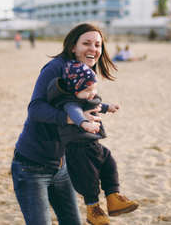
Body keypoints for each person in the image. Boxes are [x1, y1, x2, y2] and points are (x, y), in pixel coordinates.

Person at [11, 23, 117, 225]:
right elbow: (35, 109)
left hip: (63, 166)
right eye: (86, 43)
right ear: (72, 47)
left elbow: (80, 106)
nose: (93, 49)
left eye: (97, 45)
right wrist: (75, 118)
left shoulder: (83, 73)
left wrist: (98, 111)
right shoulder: (56, 68)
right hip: (32, 167)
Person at [47, 60, 139, 225]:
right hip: (78, 148)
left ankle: (113, 197)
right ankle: (93, 209)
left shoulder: (85, 97)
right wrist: (84, 123)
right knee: (88, 178)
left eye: (94, 88)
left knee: (109, 163)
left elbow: (96, 104)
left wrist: (108, 107)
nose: (92, 93)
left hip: (93, 144)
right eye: (87, 89)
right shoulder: (70, 103)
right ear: (74, 89)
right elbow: (75, 113)